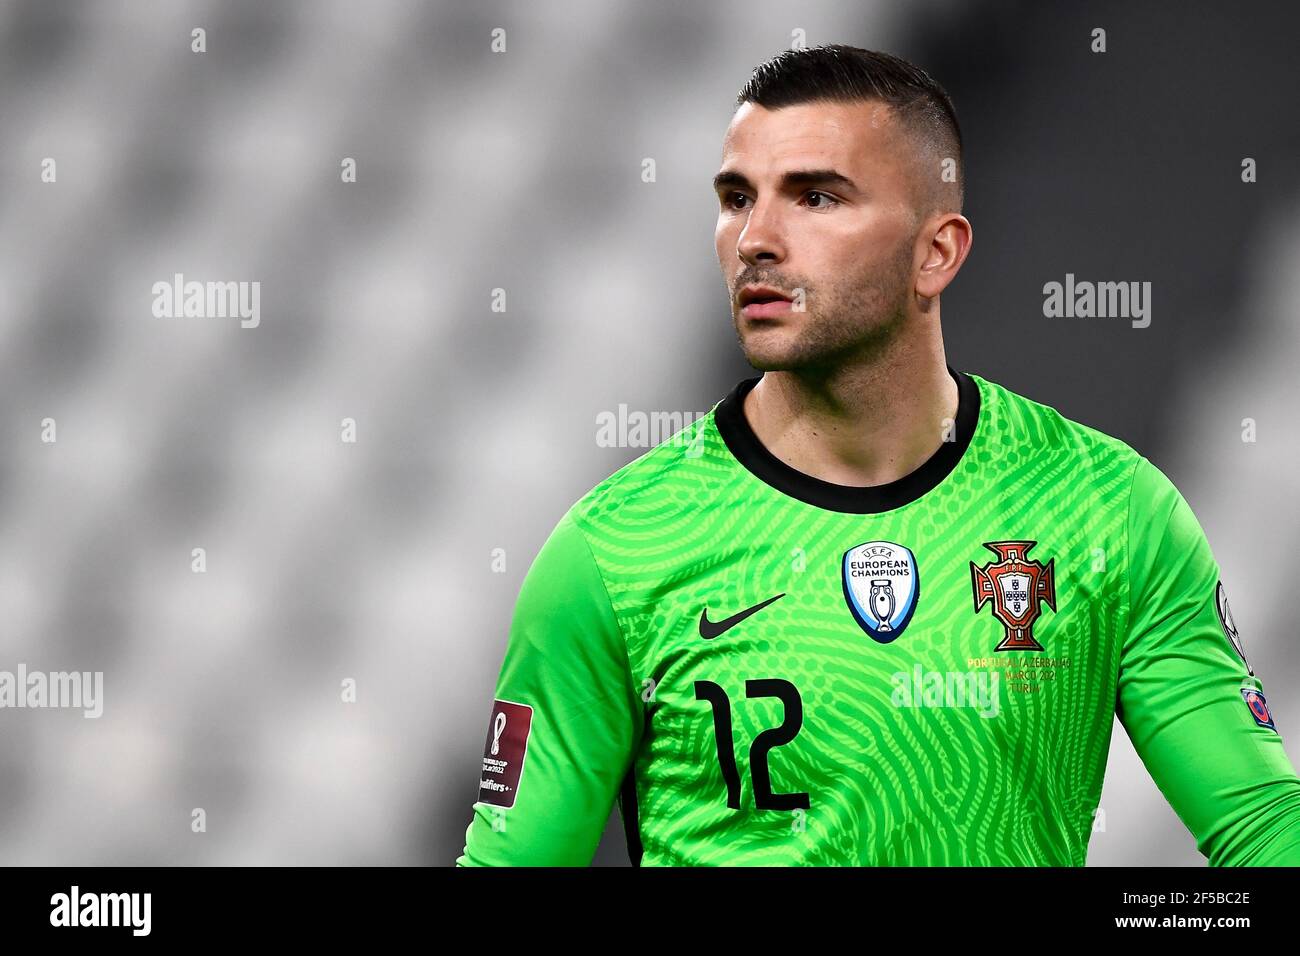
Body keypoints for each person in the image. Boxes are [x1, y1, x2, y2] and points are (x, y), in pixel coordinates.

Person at [456, 44, 1300, 866]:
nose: (755, 237)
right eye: (736, 197)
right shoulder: (614, 549)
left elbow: (1263, 828)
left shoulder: (1110, 510)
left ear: (936, 252)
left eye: (815, 197)